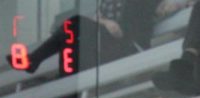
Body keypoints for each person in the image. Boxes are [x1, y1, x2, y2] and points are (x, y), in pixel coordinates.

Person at [11, 0, 160, 76]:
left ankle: (35, 60)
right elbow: (99, 18)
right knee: (74, 25)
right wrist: (107, 22)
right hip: (108, 41)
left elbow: (168, 6)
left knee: (76, 26)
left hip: (129, 45)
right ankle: (34, 59)